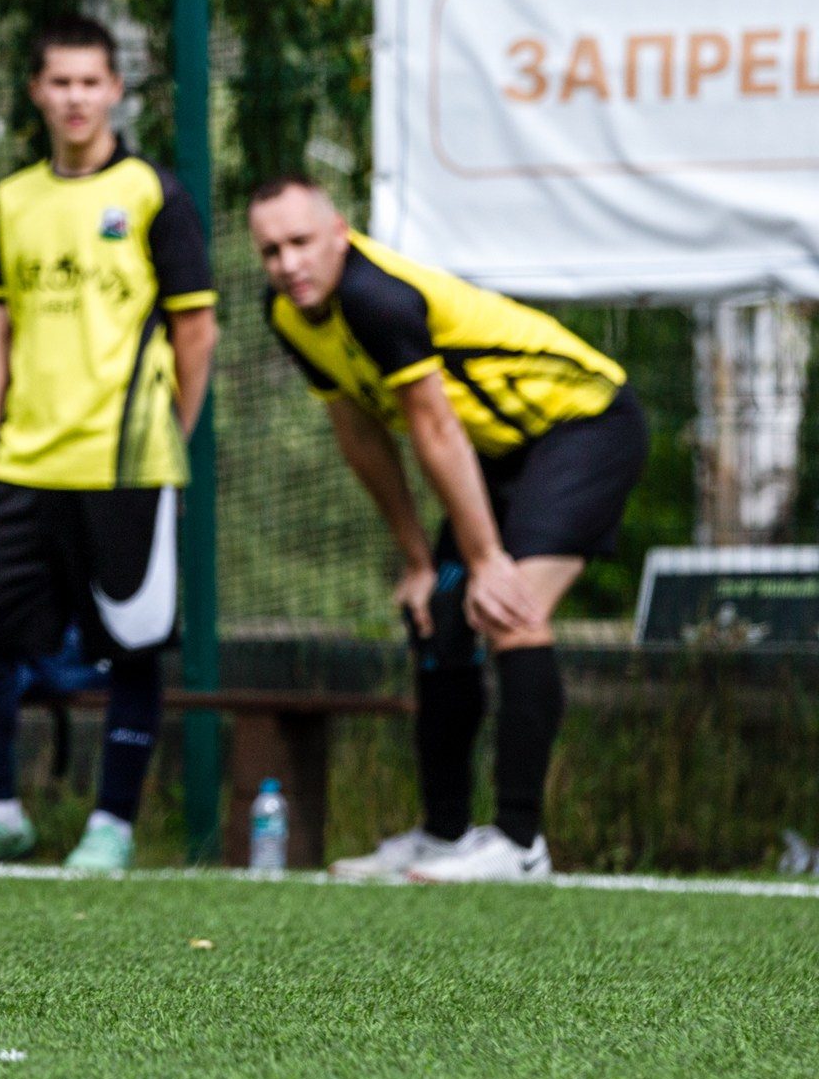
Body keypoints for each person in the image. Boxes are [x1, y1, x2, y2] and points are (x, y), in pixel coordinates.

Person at [248, 174, 646, 883]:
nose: (288, 264)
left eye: (301, 242)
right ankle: (444, 836)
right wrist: (417, 560)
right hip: (494, 452)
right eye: (271, 250)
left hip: (582, 423)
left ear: (340, 231)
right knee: (438, 613)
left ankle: (521, 845)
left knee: (509, 608)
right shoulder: (288, 313)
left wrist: (490, 557)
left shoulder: (377, 297)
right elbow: (361, 433)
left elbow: (431, 427)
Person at [0, 17, 217, 872]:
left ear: (116, 90)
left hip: (126, 466)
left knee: (133, 644)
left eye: (92, 82)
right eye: (60, 82)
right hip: (22, 462)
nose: (76, 97)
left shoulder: (154, 192)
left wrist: (169, 440)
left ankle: (113, 827)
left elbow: (196, 334)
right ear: (37, 93)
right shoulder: (15, 198)